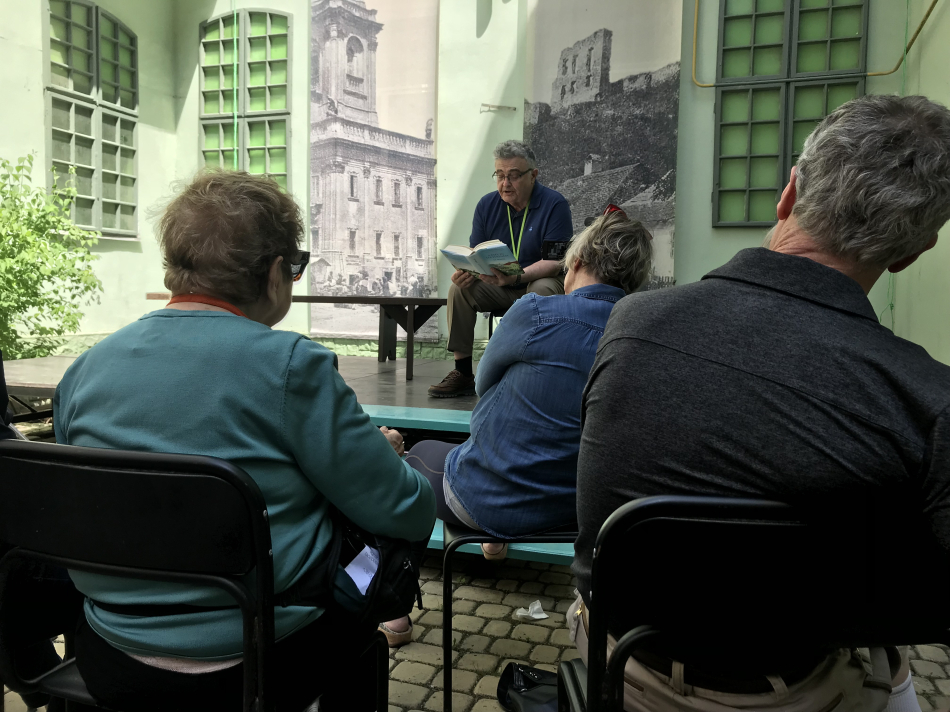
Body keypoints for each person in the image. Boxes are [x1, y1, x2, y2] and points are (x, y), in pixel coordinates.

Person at [571, 94, 950, 711]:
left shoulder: (632, 321)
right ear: (915, 251)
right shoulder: (927, 400)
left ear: (789, 193)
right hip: (795, 691)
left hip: (618, 667)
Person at [50, 170, 436, 712]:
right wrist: (388, 461)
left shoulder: (84, 370)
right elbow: (408, 513)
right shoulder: (292, 366)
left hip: (112, 654)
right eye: (295, 267)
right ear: (276, 273)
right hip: (261, 660)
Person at [377, 209, 653, 647]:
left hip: (495, 498)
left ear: (578, 261)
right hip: (582, 511)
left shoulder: (537, 311)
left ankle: (394, 617)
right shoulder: (644, 333)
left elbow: (483, 383)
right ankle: (494, 537)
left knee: (413, 461)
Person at [428, 140, 574, 397]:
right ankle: (463, 372)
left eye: (514, 176)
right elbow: (476, 254)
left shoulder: (554, 204)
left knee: (541, 290)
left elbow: (556, 262)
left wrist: (516, 277)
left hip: (538, 281)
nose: (505, 183)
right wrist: (467, 272)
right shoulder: (486, 205)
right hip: (499, 283)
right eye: (500, 175)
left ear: (533, 175)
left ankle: (534, 368)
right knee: (459, 290)